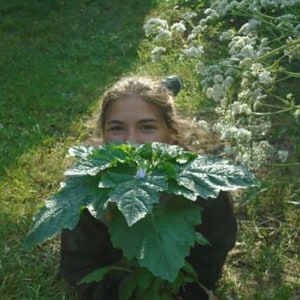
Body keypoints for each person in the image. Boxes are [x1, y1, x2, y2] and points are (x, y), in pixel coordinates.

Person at [60, 75, 237, 300]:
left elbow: (209, 260)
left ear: (172, 135)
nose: (131, 140)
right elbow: (80, 271)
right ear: (103, 136)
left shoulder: (204, 189)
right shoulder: (88, 193)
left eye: (147, 127)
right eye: (116, 128)